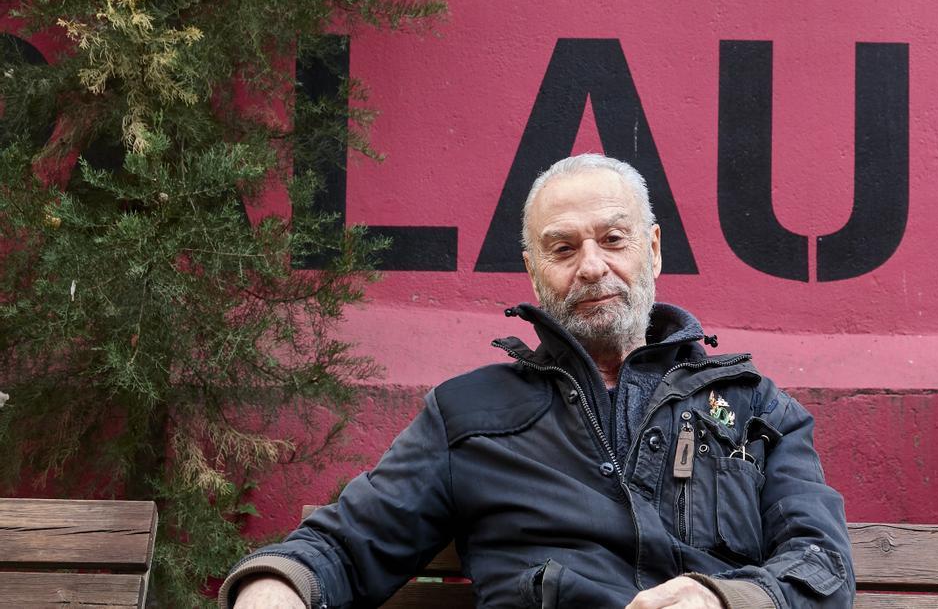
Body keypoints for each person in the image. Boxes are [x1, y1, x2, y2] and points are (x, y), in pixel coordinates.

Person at [219, 154, 854, 609]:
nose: (593, 266)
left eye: (613, 239)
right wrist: (276, 585)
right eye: (563, 249)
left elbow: (822, 567)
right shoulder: (467, 415)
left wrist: (723, 599)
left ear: (654, 250)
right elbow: (348, 544)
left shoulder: (756, 409)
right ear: (532, 271)